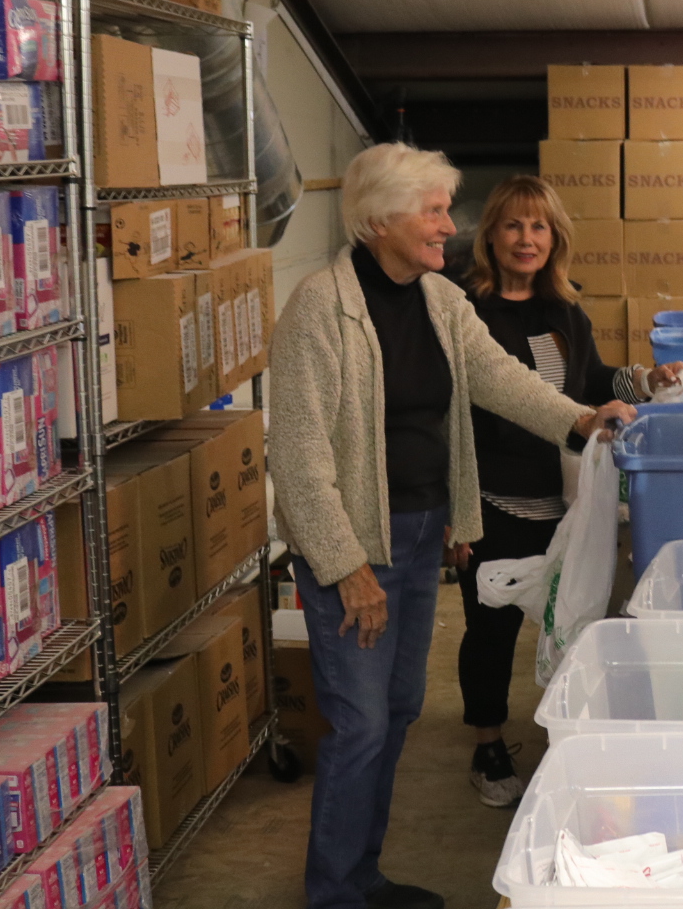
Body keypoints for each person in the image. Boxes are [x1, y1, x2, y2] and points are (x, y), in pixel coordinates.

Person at [271, 144, 637, 909]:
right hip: (355, 548)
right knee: (361, 724)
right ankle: (334, 894)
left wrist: (581, 420)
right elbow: (299, 455)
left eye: (446, 209)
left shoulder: (438, 299)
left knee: (398, 711)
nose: (450, 225)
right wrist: (345, 567)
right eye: (434, 210)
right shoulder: (321, 307)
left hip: (422, 532)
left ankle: (364, 876)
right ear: (381, 219)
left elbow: (498, 378)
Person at [450, 174, 683, 807]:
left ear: (555, 238)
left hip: (564, 503)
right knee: (490, 628)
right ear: (490, 235)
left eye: (539, 227)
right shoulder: (466, 312)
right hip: (494, 501)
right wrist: (458, 515)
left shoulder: (563, 310)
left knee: (571, 621)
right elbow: (458, 418)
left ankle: (567, 728)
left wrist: (643, 378)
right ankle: (488, 742)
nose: (527, 239)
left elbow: (591, 380)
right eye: (513, 225)